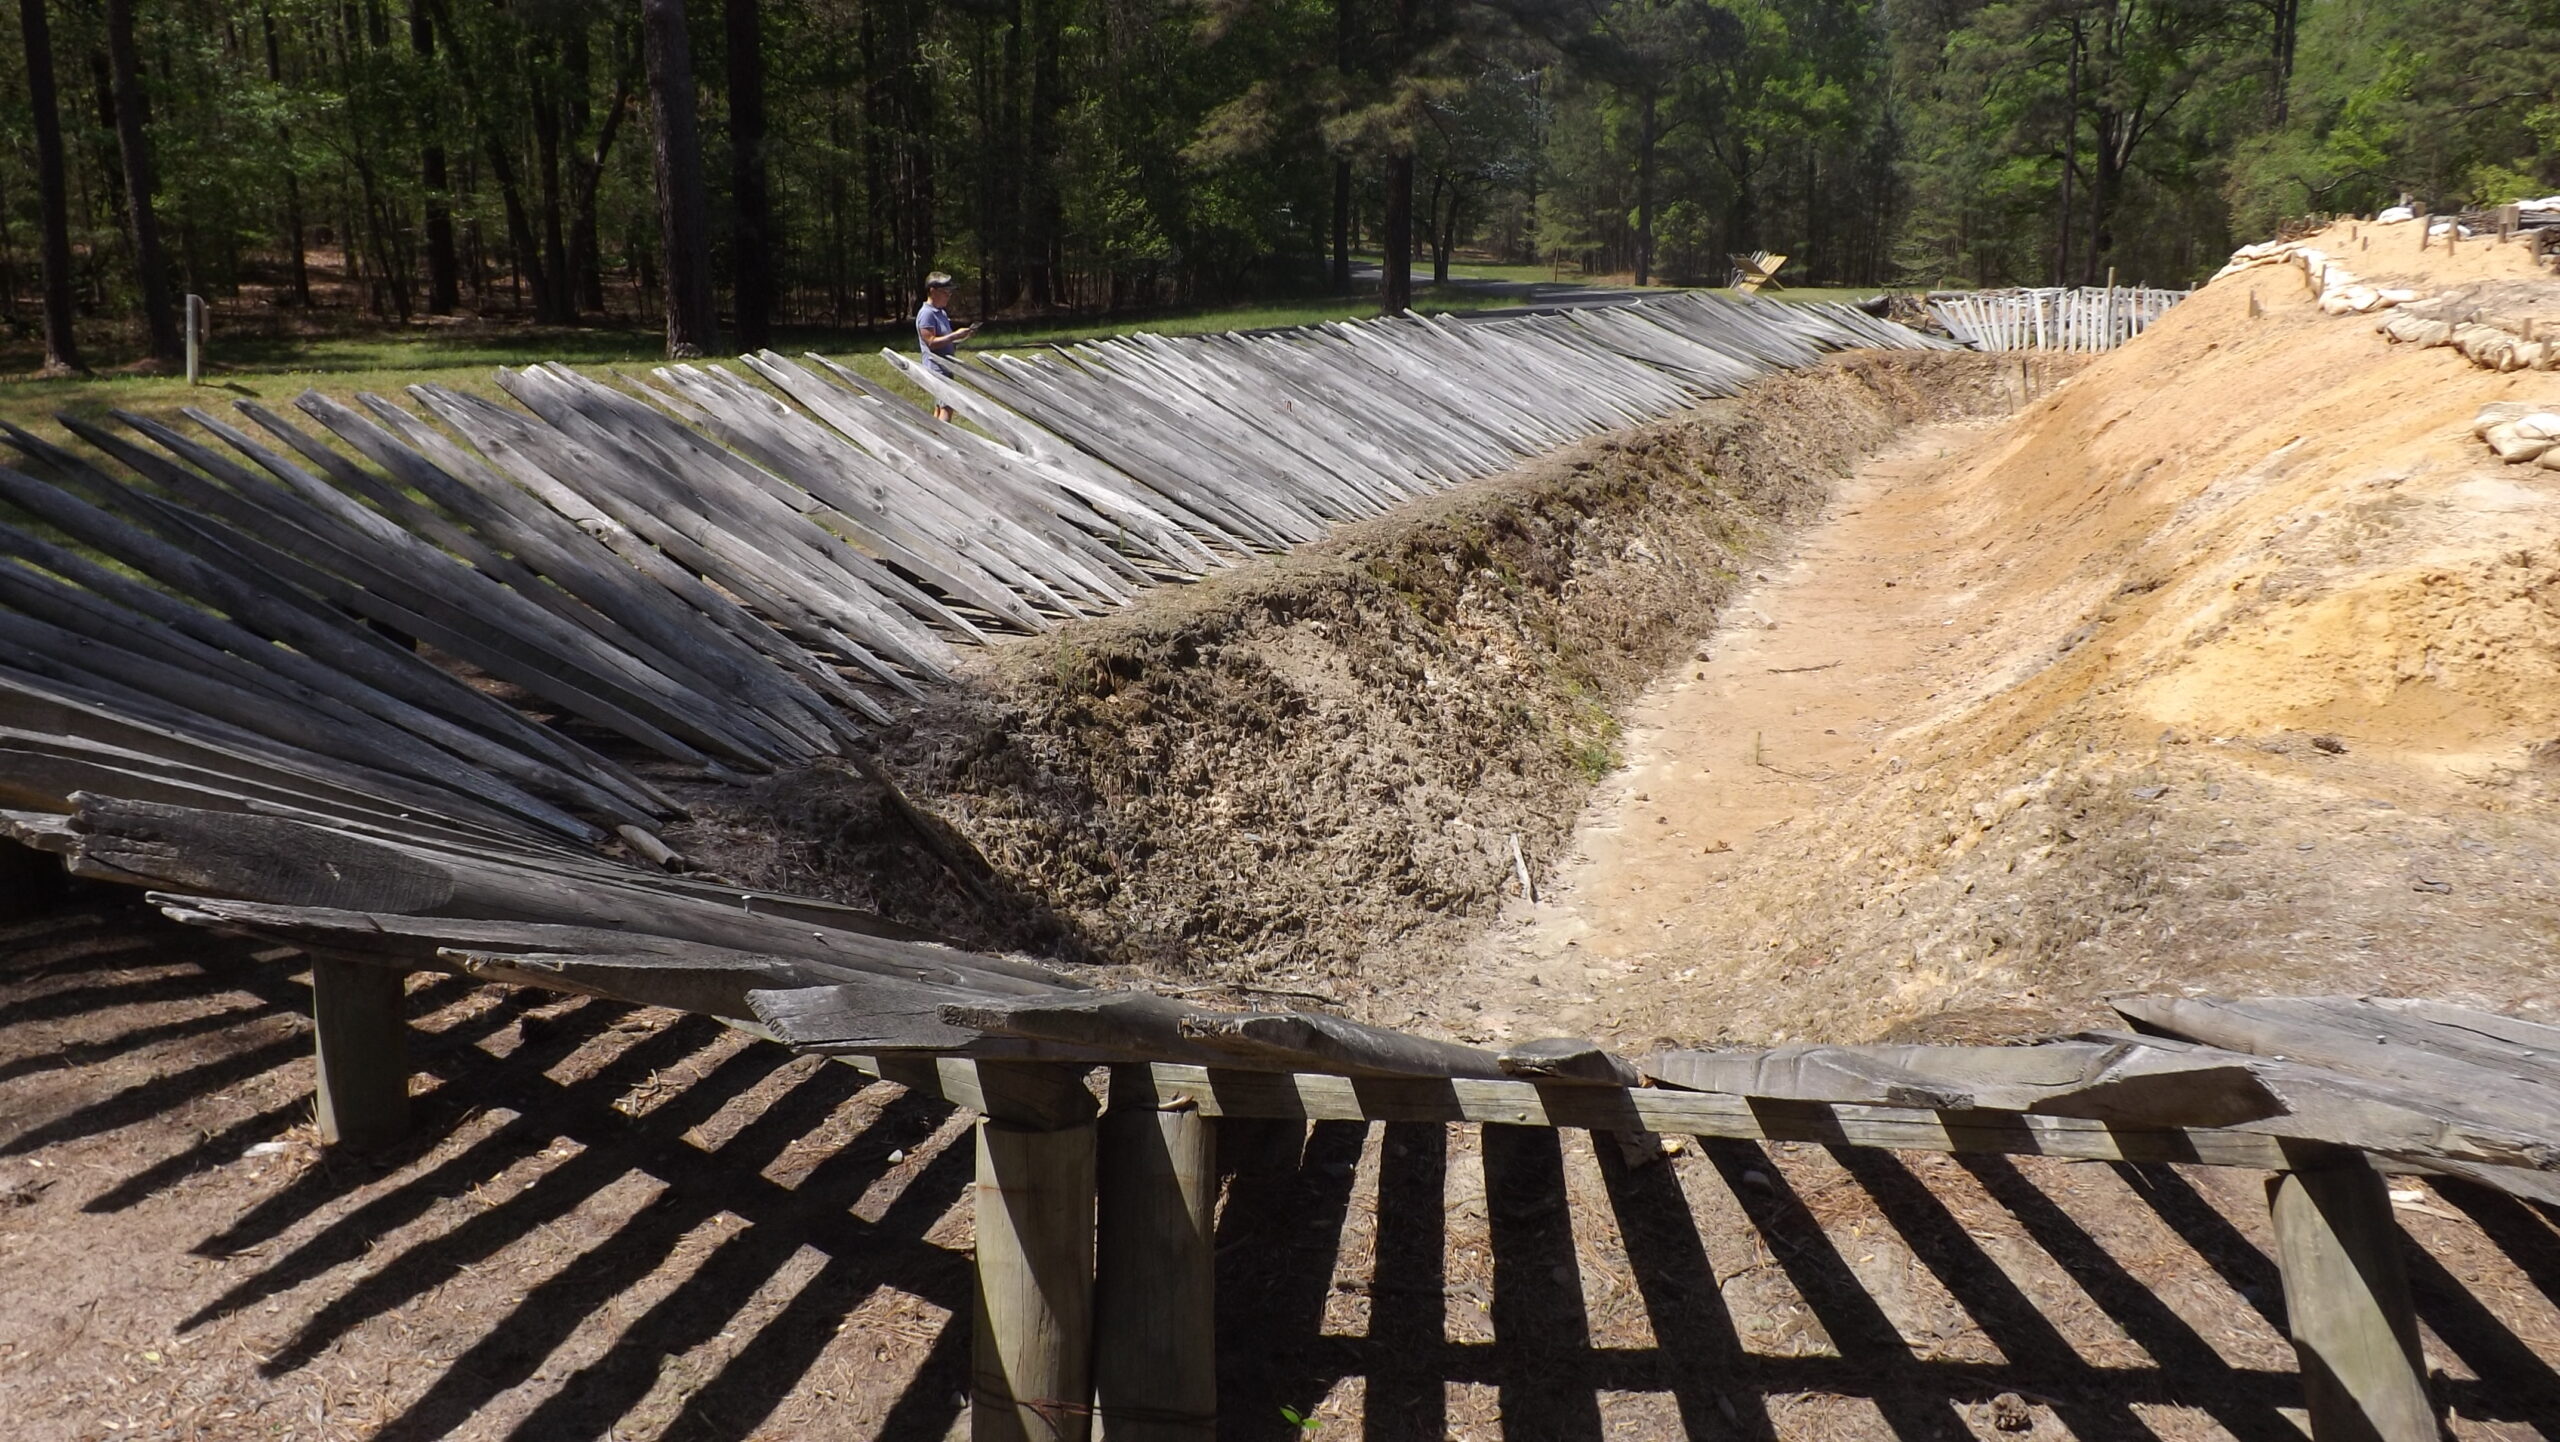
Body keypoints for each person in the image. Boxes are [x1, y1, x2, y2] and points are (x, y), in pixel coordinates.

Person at [915, 272, 975, 421]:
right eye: (945, 292)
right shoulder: (927, 314)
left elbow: (944, 340)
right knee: (948, 406)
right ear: (932, 291)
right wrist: (955, 335)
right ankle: (944, 440)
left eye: (949, 292)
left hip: (945, 366)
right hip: (936, 367)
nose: (948, 296)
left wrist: (962, 336)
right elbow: (931, 342)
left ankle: (933, 438)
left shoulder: (940, 312)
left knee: (939, 407)